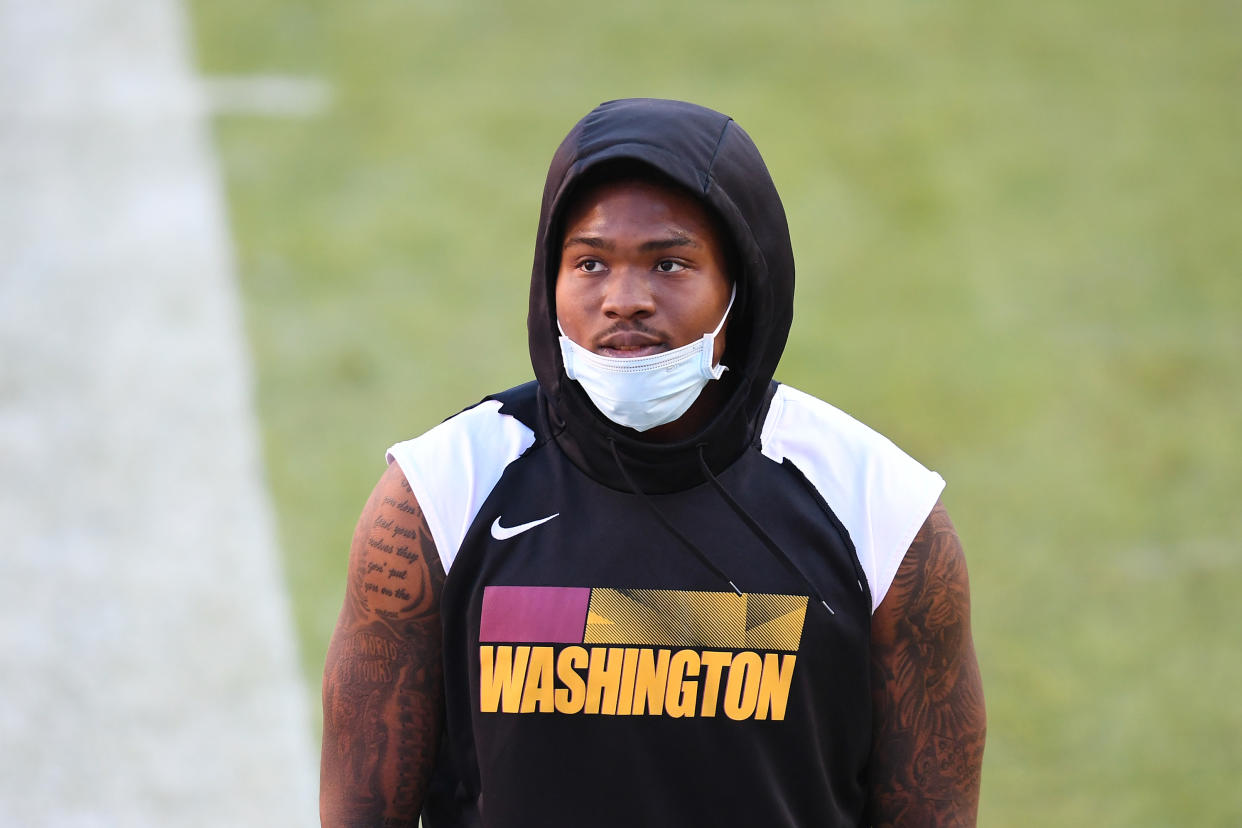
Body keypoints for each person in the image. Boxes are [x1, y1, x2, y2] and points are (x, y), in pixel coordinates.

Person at [320, 98, 985, 827]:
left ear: (744, 283)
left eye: (669, 263)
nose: (624, 300)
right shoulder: (442, 490)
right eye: (590, 263)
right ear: (551, 280)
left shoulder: (880, 508)